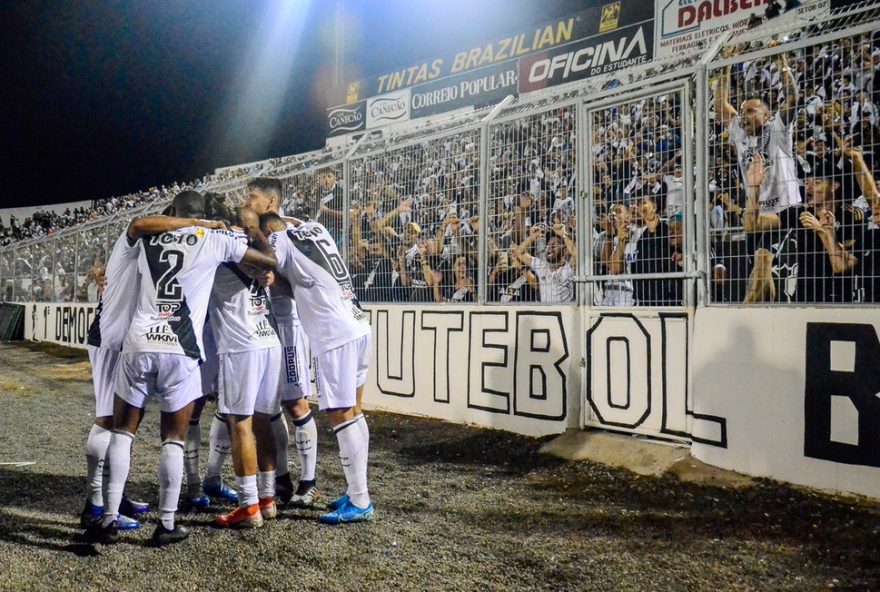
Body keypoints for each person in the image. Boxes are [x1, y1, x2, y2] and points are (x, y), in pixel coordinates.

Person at [88, 192, 277, 546]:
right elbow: (268, 262)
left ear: (173, 212)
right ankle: (167, 524)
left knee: (123, 433)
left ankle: (109, 518)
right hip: (182, 348)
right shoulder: (215, 238)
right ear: (203, 213)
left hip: (139, 343)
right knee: (172, 439)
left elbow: (137, 225)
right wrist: (257, 237)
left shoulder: (147, 236)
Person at [81, 206, 224, 532]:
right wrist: (197, 222)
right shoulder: (141, 236)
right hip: (110, 339)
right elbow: (139, 226)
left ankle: (114, 497)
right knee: (108, 420)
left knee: (121, 428)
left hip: (128, 341)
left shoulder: (152, 245)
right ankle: (94, 505)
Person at [260, 212, 374, 524]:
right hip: (358, 323)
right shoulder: (316, 228)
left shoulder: (278, 239)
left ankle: (361, 500)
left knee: (339, 413)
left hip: (334, 334)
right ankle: (355, 491)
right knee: (355, 411)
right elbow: (291, 226)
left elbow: (267, 261)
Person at [244, 177, 320, 508]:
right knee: (268, 407)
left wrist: (276, 282)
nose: (248, 201)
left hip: (288, 328)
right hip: (265, 327)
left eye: (253, 197)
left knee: (296, 404)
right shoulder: (260, 230)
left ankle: (309, 481)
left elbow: (302, 285)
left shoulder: (285, 231)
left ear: (271, 202)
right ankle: (283, 479)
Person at [208, 207, 283, 529]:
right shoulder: (258, 247)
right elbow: (269, 267)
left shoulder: (220, 244)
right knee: (264, 421)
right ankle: (267, 500)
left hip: (241, 346)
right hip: (269, 340)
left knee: (240, 424)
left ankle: (248, 506)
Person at [715, 51, 801, 217]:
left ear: (767, 115)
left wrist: (780, 60)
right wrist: (725, 65)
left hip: (786, 211)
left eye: (751, 111)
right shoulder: (740, 134)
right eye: (742, 112)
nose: (744, 115)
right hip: (756, 214)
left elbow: (792, 98)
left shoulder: (777, 128)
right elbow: (720, 106)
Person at [513, 223, 575, 303]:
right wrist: (531, 238)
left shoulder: (569, 269)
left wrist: (563, 235)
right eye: (548, 245)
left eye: (554, 245)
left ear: (565, 251)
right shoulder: (541, 266)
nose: (549, 247)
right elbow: (518, 253)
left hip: (564, 314)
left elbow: (576, 255)